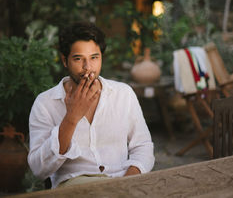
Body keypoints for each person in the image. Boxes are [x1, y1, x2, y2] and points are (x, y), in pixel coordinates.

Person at [27, 21, 155, 188]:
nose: (88, 68)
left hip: (123, 183)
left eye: (94, 58)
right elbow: (38, 169)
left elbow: (143, 147)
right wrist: (71, 118)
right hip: (75, 187)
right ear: (65, 61)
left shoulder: (123, 94)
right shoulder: (45, 103)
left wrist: (126, 183)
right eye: (78, 59)